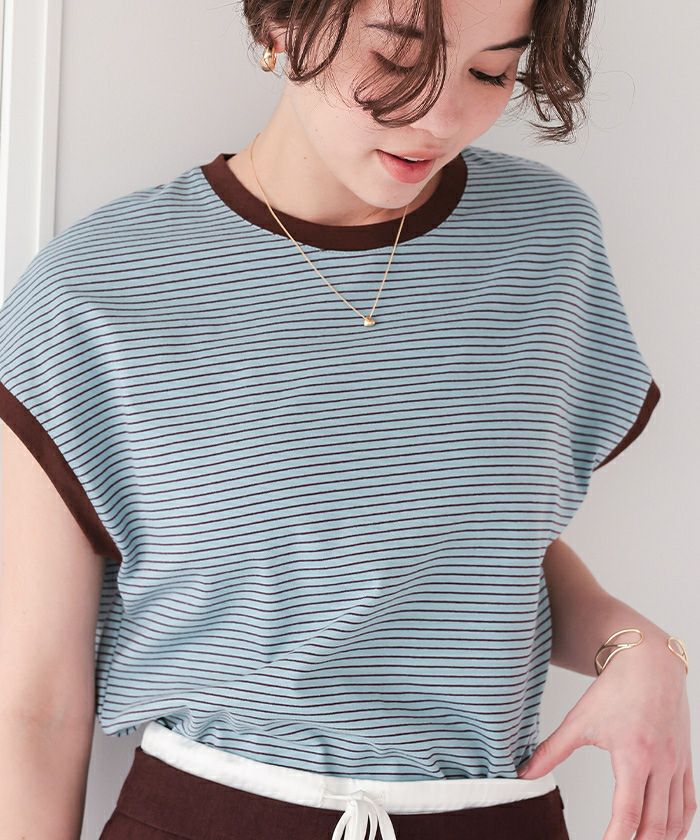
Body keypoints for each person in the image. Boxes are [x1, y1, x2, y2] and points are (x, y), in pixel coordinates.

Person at [0, 0, 694, 838]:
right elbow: (38, 703)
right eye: (400, 59)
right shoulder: (96, 291)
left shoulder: (546, 244)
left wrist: (639, 648)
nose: (442, 117)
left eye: (490, 72)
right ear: (283, 23)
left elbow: (491, 548)